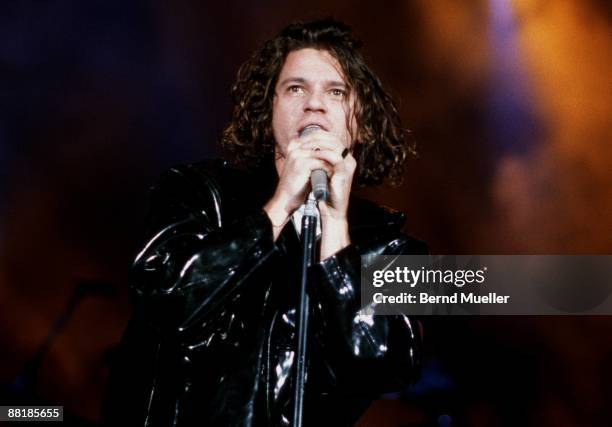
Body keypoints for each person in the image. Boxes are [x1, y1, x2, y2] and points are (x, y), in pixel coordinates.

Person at [103, 18, 426, 427]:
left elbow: (385, 364)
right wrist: (276, 210)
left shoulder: (394, 248)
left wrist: (335, 234)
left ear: (359, 120)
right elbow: (162, 296)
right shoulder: (197, 191)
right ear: (268, 108)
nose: (314, 103)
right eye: (295, 88)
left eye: (336, 91)